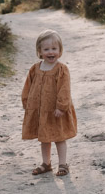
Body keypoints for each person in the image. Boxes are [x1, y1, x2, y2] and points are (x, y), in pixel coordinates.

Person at [22, 29, 77, 176]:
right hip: (41, 111)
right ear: (39, 51)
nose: (50, 52)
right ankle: (46, 163)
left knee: (59, 137)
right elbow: (28, 86)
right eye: (46, 49)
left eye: (54, 49)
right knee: (44, 138)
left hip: (56, 111)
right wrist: (27, 103)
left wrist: (61, 106)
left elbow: (65, 89)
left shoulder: (61, 69)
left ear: (60, 50)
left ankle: (63, 164)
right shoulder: (35, 68)